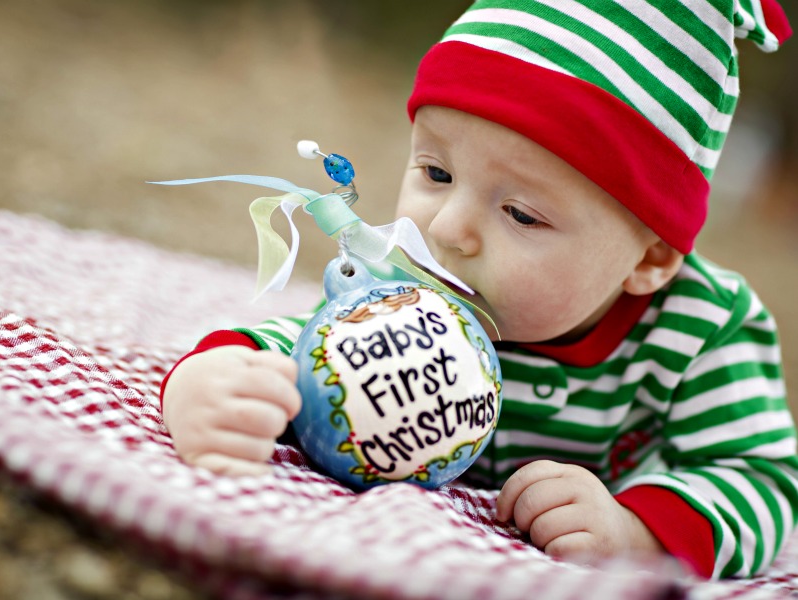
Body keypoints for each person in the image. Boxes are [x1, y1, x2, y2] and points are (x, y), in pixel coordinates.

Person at [160, 0, 798, 580]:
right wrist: (219, 374)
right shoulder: (414, 278)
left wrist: (636, 530)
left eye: (521, 214)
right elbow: (317, 349)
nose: (448, 228)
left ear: (650, 259)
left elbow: (764, 480)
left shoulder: (702, 329)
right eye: (436, 172)